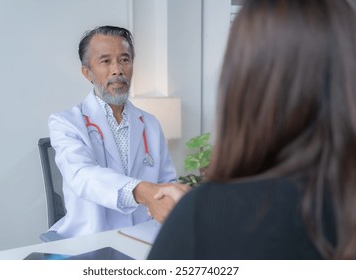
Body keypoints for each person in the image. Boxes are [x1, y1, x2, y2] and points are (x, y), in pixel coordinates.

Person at [148, 0, 356, 260]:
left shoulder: (203, 215)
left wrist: (200, 216)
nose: (118, 69)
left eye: (124, 59)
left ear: (242, 81)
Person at [47, 25, 189, 238]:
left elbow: (166, 181)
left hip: (145, 235)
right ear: (87, 73)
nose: (117, 70)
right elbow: (82, 175)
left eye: (124, 60)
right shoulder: (65, 123)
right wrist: (142, 191)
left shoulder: (149, 123)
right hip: (91, 239)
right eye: (105, 61)